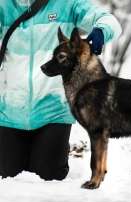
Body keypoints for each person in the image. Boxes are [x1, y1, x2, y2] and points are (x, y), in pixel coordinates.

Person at [0, 0, 121, 180]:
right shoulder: (4, 6)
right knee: (7, 178)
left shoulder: (66, 4)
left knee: (48, 177)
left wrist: (101, 31)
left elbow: (109, 20)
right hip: (9, 112)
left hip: (53, 111)